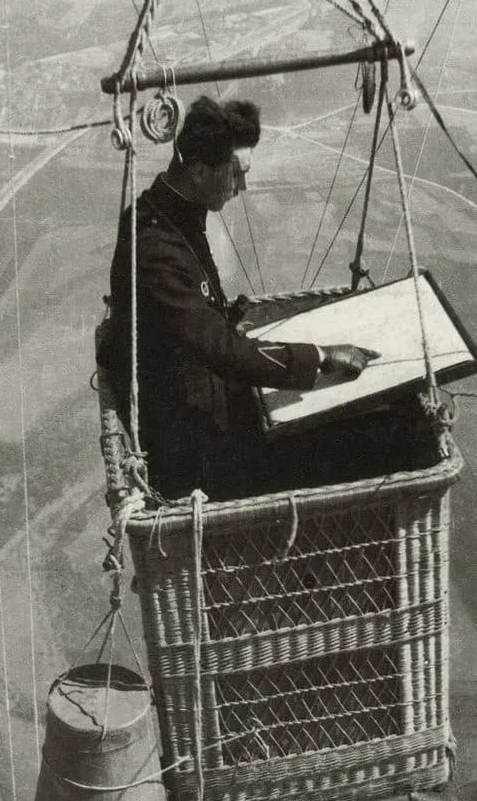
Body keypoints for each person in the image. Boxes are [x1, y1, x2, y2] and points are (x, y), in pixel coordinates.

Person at [99, 94, 377, 499]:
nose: (243, 187)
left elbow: (201, 324)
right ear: (198, 171)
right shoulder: (156, 248)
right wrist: (319, 355)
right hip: (188, 447)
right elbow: (218, 349)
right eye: (236, 174)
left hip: (204, 399)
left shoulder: (171, 214)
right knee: (354, 444)